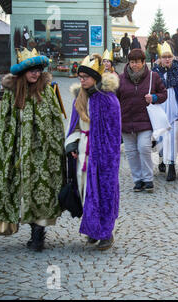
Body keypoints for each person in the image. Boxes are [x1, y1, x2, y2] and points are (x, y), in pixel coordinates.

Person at [0, 48, 65, 251]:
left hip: (41, 152)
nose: (35, 74)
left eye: (38, 70)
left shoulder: (46, 91)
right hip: (17, 152)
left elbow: (55, 121)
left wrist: (53, 148)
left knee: (40, 192)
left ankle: (38, 235)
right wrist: (8, 150)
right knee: (20, 191)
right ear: (23, 72)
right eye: (31, 70)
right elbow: (6, 125)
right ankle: (27, 229)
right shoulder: (12, 93)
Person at [66, 54, 121, 250]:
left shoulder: (108, 99)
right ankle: (92, 228)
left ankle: (106, 232)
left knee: (104, 189)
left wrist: (107, 153)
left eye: (85, 77)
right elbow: (74, 127)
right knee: (86, 191)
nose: (82, 80)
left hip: (104, 153)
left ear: (95, 77)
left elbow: (114, 130)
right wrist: (72, 144)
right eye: (80, 77)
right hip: (84, 151)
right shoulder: (80, 98)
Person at [117, 49, 167, 192]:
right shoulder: (120, 79)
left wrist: (154, 98)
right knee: (131, 152)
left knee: (144, 148)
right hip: (126, 121)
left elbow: (164, 94)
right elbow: (114, 99)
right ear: (129, 63)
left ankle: (148, 179)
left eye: (138, 62)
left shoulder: (153, 76)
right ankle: (138, 180)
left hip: (145, 121)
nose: (135, 65)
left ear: (143, 62)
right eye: (132, 62)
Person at [152, 42, 178, 181]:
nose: (167, 59)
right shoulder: (155, 72)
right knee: (160, 135)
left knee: (171, 137)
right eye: (164, 57)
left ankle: (171, 166)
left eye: (169, 57)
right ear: (159, 58)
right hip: (160, 105)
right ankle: (161, 158)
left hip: (173, 104)